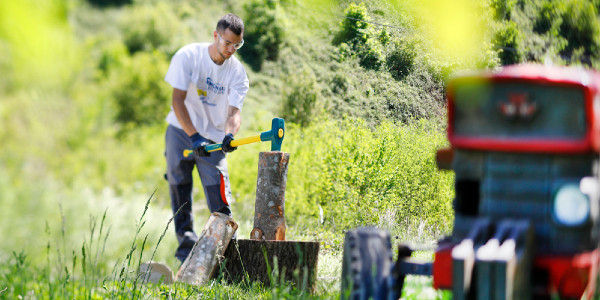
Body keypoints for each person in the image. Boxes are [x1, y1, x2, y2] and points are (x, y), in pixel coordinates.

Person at [163, 13, 249, 263]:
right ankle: (185, 253)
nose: (232, 49)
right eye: (227, 43)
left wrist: (229, 134)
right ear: (215, 35)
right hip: (180, 131)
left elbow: (234, 112)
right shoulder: (188, 56)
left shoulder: (237, 73)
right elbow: (177, 101)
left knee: (219, 195)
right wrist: (193, 136)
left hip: (212, 139)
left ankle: (225, 257)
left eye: (237, 45)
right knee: (179, 188)